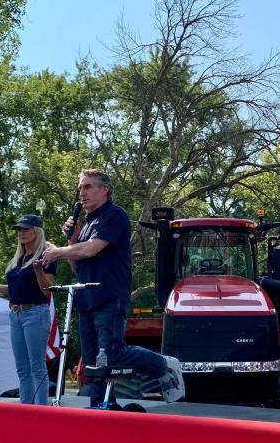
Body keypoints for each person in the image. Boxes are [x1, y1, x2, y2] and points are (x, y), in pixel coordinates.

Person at [41, 169, 183, 406]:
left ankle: (164, 365)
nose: (81, 193)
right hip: (85, 299)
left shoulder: (114, 215)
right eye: (80, 188)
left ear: (104, 190)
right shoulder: (86, 225)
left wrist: (57, 253)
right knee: (92, 364)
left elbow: (92, 249)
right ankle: (102, 409)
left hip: (109, 296)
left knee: (111, 354)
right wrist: (72, 241)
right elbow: (79, 268)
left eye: (87, 187)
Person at [0, 215, 57, 405]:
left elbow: (47, 289)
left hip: (35, 313)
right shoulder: (18, 258)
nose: (21, 233)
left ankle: (41, 411)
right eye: (19, 230)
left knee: (37, 368)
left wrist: (39, 270)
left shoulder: (46, 255)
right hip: (16, 315)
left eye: (25, 229)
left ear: (36, 231)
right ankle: (25, 410)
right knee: (22, 370)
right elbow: (13, 290)